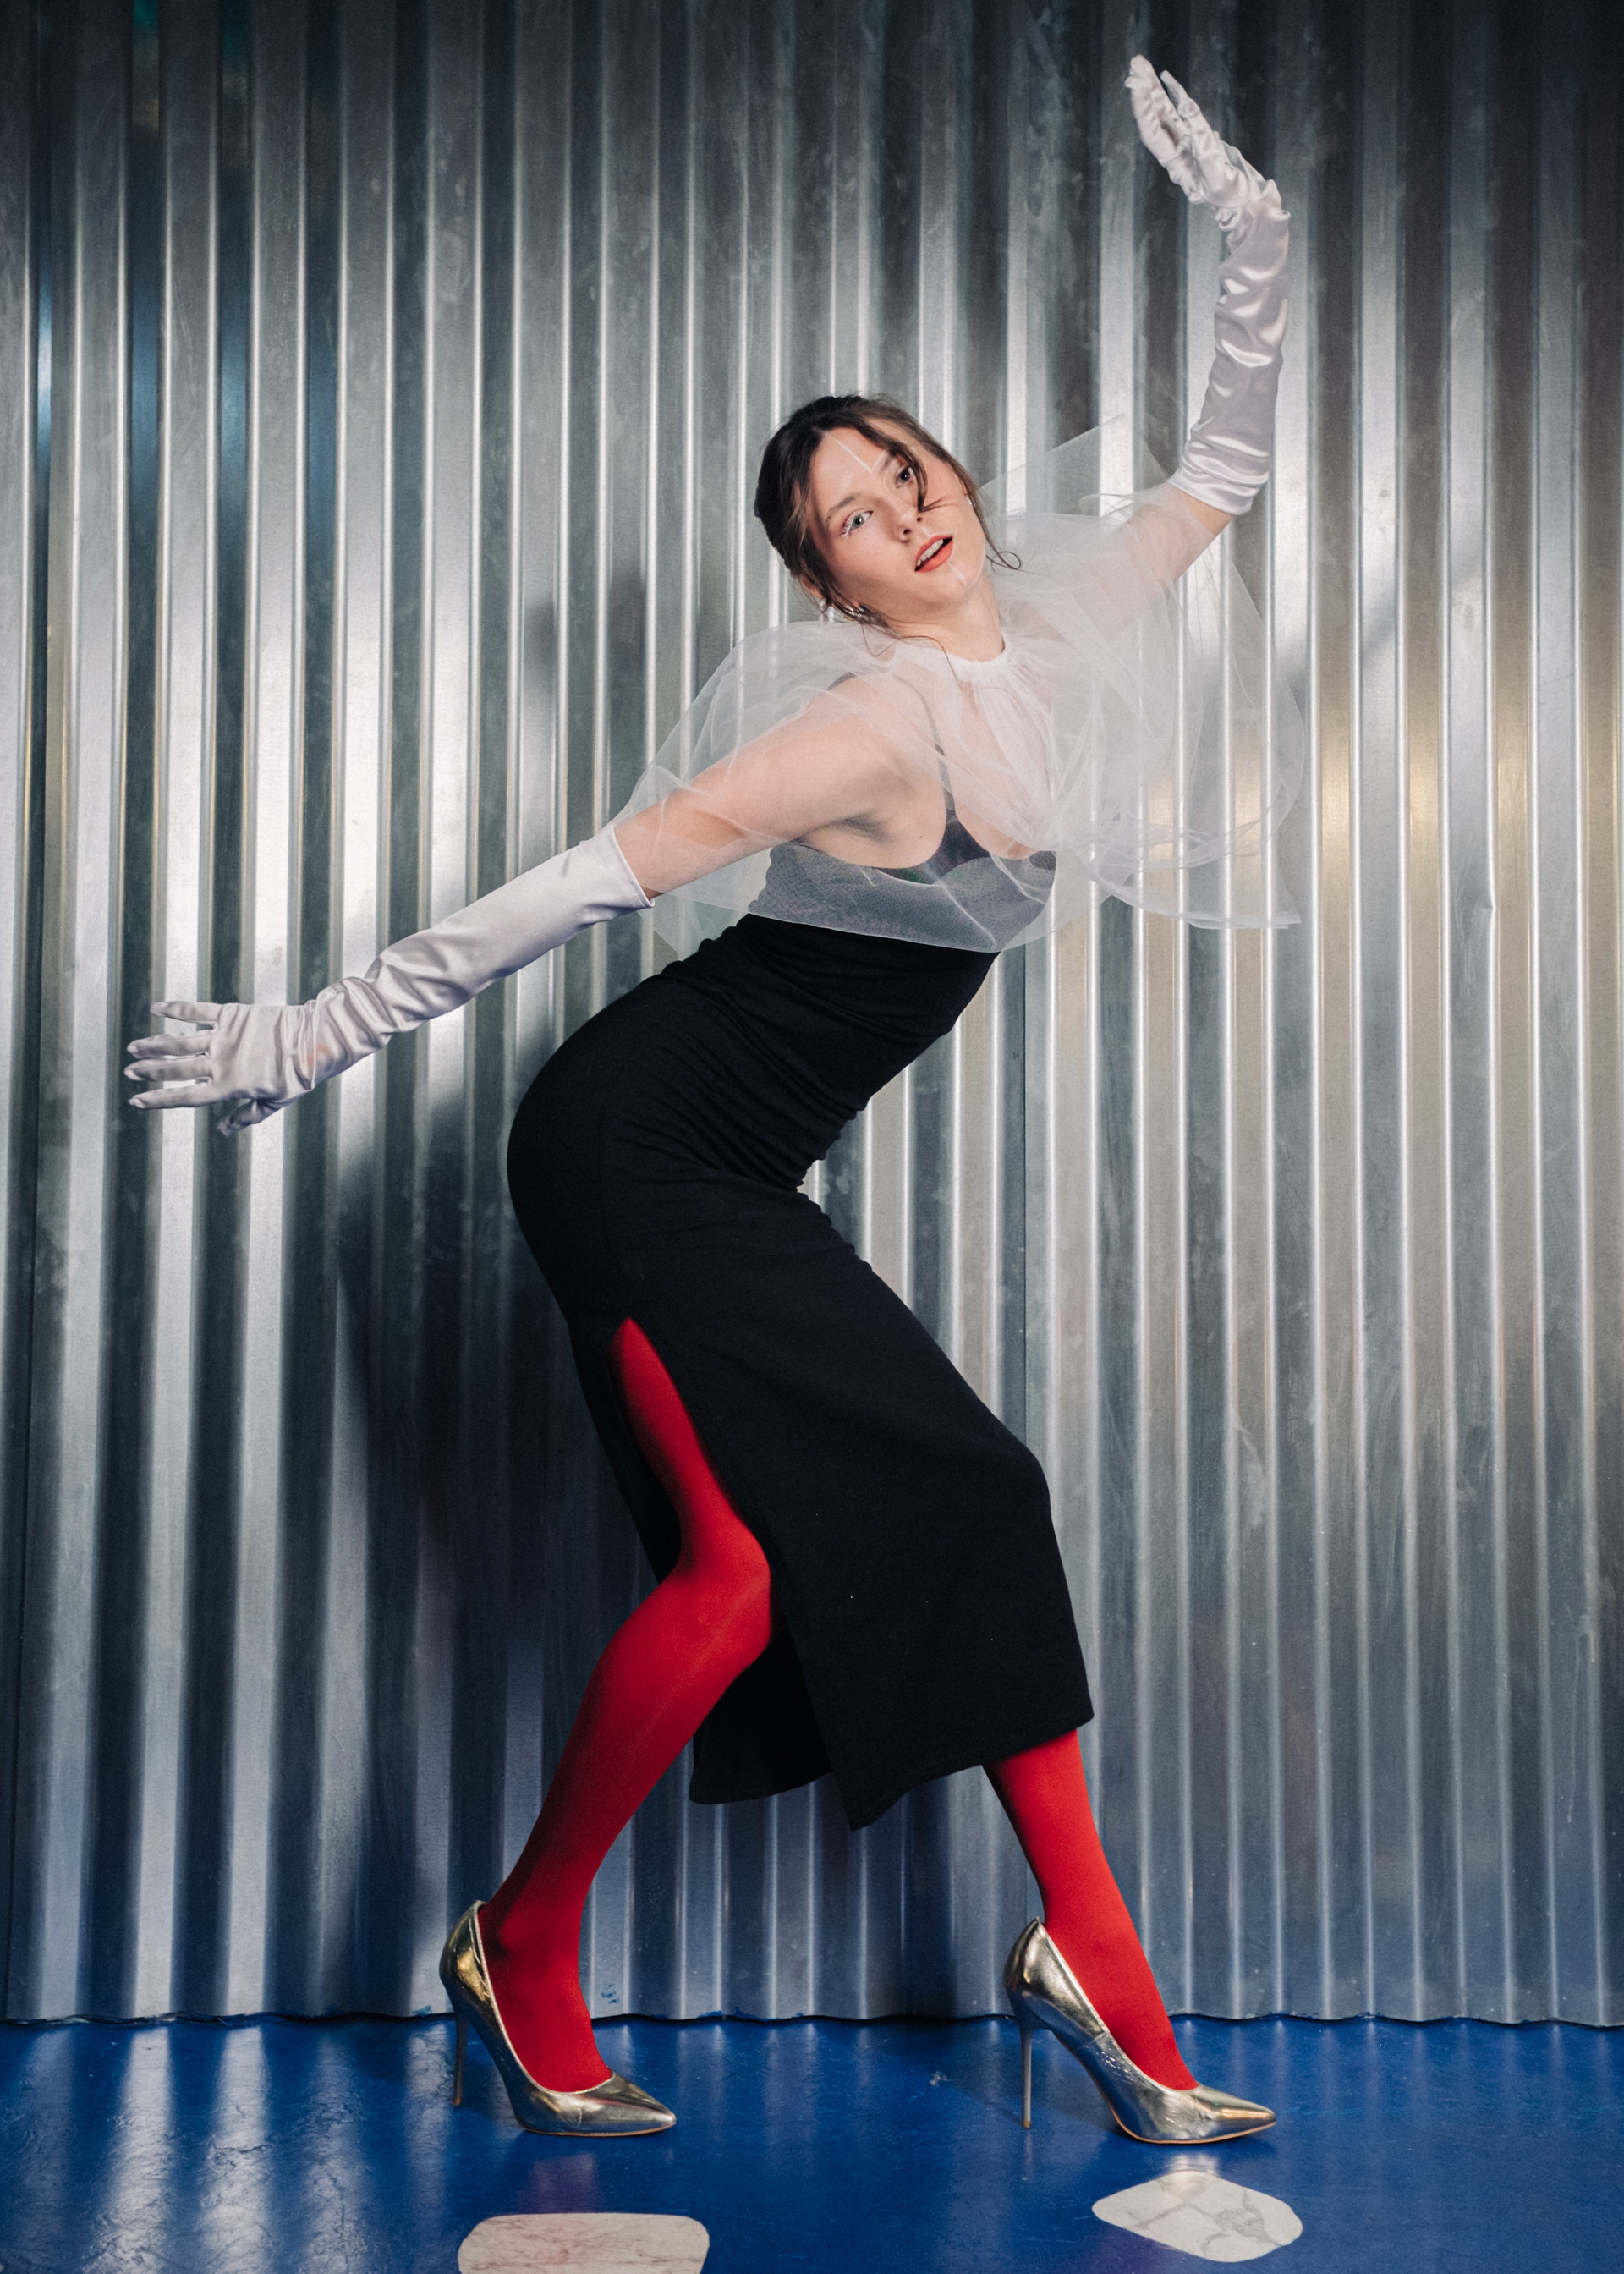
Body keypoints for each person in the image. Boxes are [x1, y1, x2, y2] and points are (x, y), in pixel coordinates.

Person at [126, 59, 1292, 2148]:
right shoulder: (870, 723)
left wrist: (1258, 242)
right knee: (766, 1569)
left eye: (905, 467)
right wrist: (313, 1032)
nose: (904, 506)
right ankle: (547, 1946)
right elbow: (585, 882)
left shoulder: (1062, 628)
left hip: (739, 1170)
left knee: (882, 1529)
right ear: (833, 587)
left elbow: (1222, 462)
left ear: (954, 483)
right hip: (633, 1152)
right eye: (852, 514)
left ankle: (1059, 1964)